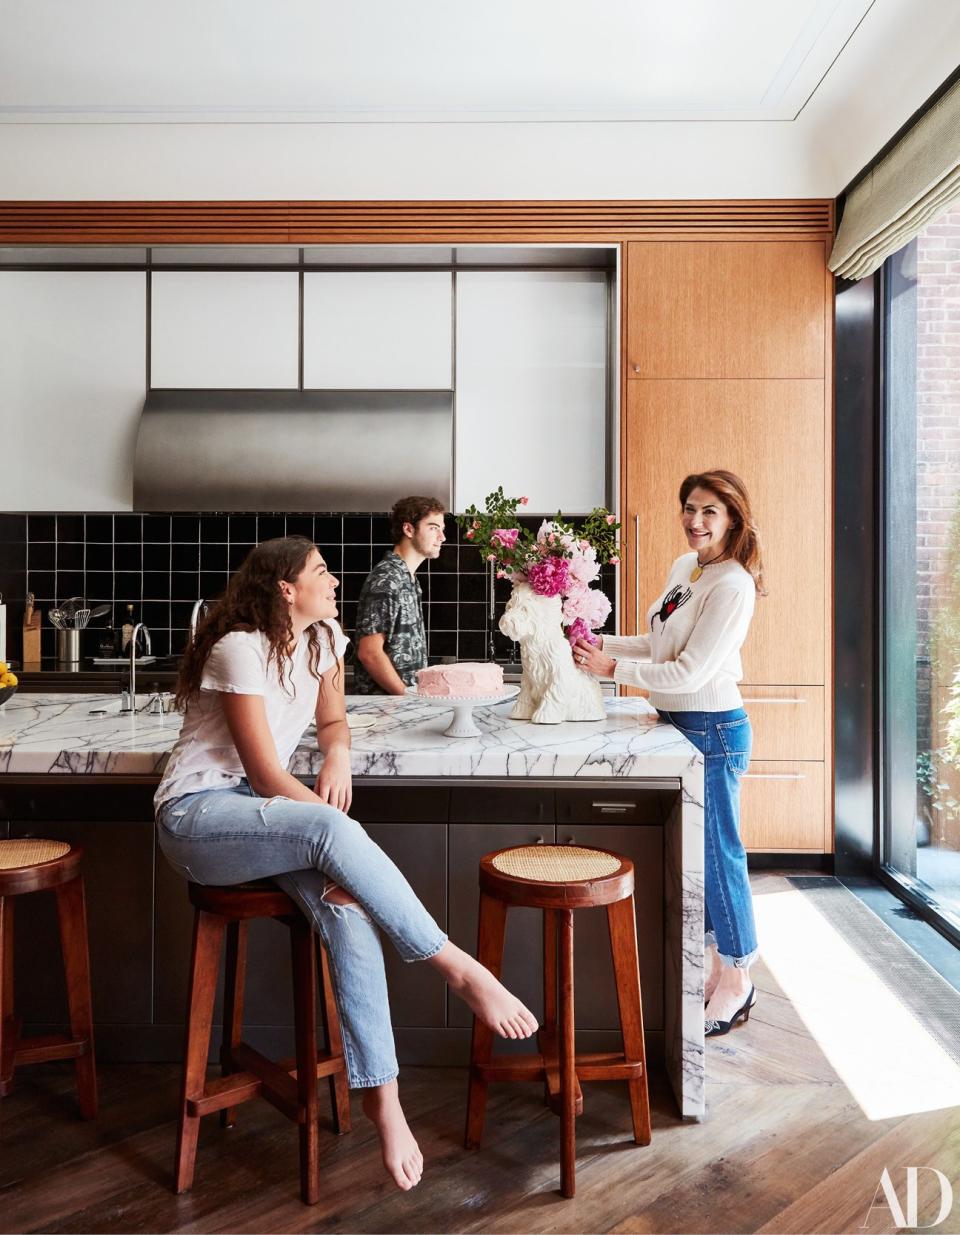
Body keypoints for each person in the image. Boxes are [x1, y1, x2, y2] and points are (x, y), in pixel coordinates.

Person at [154, 536, 536, 1191]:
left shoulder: (323, 639)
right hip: (197, 818)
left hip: (257, 817)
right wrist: (334, 828)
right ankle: (457, 965)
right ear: (284, 588)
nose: (335, 581)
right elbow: (267, 774)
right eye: (322, 571)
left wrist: (336, 757)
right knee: (336, 842)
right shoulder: (237, 649)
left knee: (347, 903)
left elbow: (333, 727)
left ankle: (382, 1097)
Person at [574, 470, 764, 1039]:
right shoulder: (688, 569)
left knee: (719, 854)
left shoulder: (732, 585)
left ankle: (738, 978)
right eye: (689, 508)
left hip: (712, 727)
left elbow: (690, 671)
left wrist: (613, 670)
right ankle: (709, 967)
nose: (695, 521)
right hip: (679, 722)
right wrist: (598, 643)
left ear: (732, 518)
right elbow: (662, 644)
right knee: (695, 856)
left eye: (709, 511)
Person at [354, 496, 446, 695]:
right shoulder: (387, 579)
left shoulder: (408, 578)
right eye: (433, 527)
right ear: (409, 529)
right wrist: (406, 695)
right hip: (384, 708)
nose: (442, 537)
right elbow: (369, 652)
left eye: (441, 528)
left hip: (403, 704)